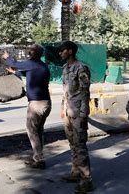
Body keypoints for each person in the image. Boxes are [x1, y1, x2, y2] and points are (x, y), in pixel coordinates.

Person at [2, 44, 51, 169]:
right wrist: (16, 72)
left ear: (35, 53)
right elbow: (31, 73)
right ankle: (38, 156)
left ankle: (39, 159)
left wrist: (7, 58)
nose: (29, 51)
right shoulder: (42, 65)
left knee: (31, 131)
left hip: (36, 104)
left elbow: (16, 63)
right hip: (46, 103)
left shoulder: (31, 63)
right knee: (39, 130)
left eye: (31, 49)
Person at [58, 41, 93, 193]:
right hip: (68, 112)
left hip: (78, 113)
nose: (60, 53)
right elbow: (65, 91)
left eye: (62, 50)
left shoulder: (81, 68)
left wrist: (84, 114)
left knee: (80, 146)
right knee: (72, 144)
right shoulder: (65, 68)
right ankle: (76, 172)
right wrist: (62, 108)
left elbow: (85, 93)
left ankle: (87, 180)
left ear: (70, 51)